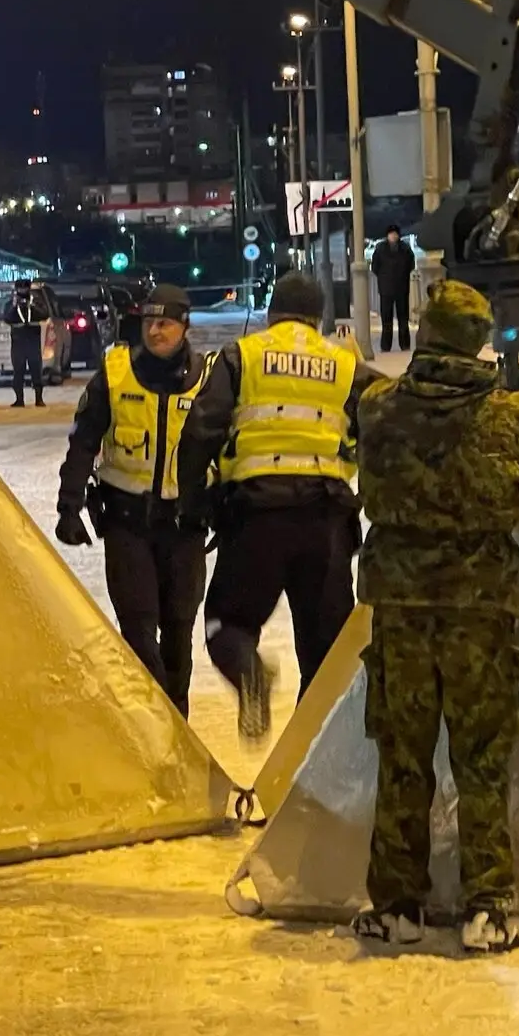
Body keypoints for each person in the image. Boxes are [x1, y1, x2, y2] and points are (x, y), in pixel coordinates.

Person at [350, 279, 519, 954]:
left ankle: (398, 903)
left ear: (425, 332)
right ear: (478, 339)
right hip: (480, 610)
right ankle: (488, 905)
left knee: (402, 752)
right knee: (481, 756)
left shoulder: (377, 409)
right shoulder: (512, 417)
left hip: (398, 609)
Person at [177, 269, 384, 744]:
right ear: (320, 317)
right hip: (328, 522)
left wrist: (195, 504)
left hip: (257, 518)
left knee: (225, 623)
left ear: (271, 313)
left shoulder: (240, 357)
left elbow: (201, 432)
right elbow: (384, 425)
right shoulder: (344, 364)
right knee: (327, 655)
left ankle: (250, 671)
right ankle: (307, 761)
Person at [55, 284, 212, 712]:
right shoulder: (116, 371)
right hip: (128, 523)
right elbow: (84, 439)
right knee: (139, 630)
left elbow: (227, 447)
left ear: (185, 326)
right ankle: (157, 722)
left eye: (165, 323)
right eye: (148, 322)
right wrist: (69, 503)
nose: (155, 331)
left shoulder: (209, 379)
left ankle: (178, 727)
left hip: (185, 527)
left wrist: (231, 509)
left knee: (179, 633)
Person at [3, 278, 52, 408]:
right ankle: (19, 399)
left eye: (25, 288)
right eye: (20, 288)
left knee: (36, 370)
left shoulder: (36, 302)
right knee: (18, 371)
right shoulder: (10, 304)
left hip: (33, 341)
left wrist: (32, 307)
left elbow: (45, 314)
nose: (22, 291)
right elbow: (7, 318)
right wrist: (15, 306)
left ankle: (39, 399)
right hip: (18, 342)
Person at [370, 224, 415, 354]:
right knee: (386, 319)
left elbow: (411, 264)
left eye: (395, 234)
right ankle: (385, 346)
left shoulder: (405, 249)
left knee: (403, 318)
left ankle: (405, 344)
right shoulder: (380, 249)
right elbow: (375, 267)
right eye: (391, 234)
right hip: (386, 289)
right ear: (387, 235)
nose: (393, 236)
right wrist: (384, 277)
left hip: (402, 287)